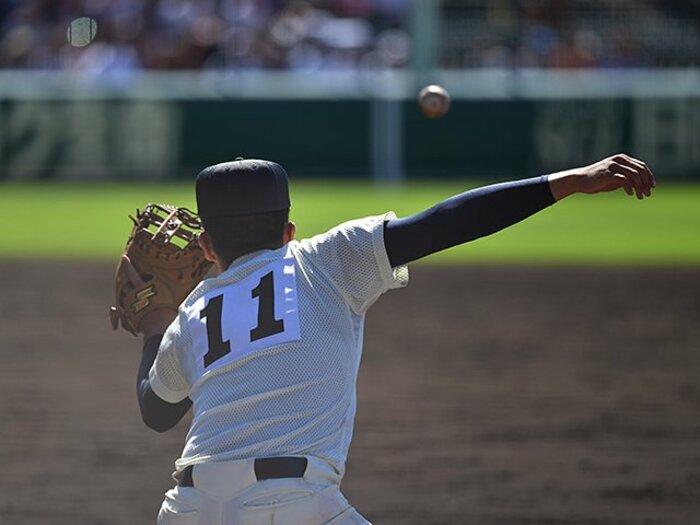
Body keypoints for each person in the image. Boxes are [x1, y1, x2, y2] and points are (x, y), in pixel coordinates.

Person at [126, 154, 655, 525]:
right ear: (289, 231)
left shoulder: (193, 310)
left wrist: (154, 323)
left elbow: (157, 410)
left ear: (207, 245)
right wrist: (568, 181)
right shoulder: (322, 260)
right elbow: (445, 223)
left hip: (187, 510)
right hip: (292, 507)